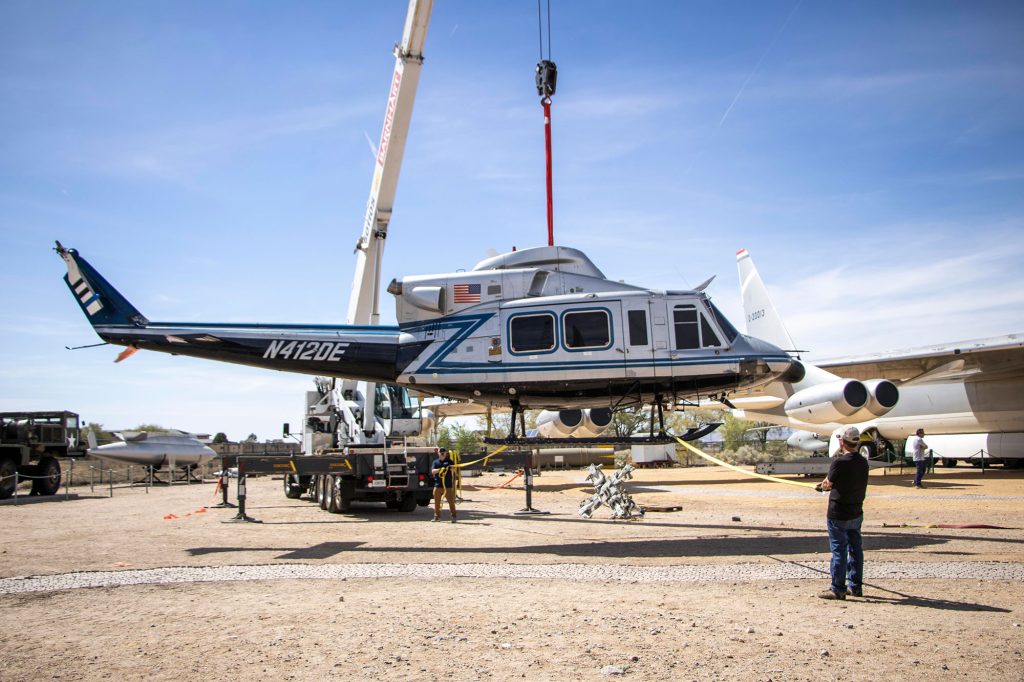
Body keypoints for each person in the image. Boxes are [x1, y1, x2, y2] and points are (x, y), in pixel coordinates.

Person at [817, 425, 869, 600]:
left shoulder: (839, 463)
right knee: (856, 550)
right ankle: (856, 587)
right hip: (856, 511)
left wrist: (822, 486)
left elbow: (828, 484)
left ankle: (838, 588)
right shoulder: (863, 462)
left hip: (838, 513)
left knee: (839, 551)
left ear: (842, 442)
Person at [431, 448, 457, 523]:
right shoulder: (435, 462)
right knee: (437, 503)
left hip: (448, 486)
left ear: (446, 453)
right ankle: (436, 517)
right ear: (438, 453)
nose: (442, 453)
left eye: (443, 452)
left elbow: (454, 469)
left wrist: (449, 468)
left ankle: (453, 516)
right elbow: (433, 471)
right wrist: (440, 469)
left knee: (451, 502)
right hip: (438, 486)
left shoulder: (450, 461)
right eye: (441, 452)